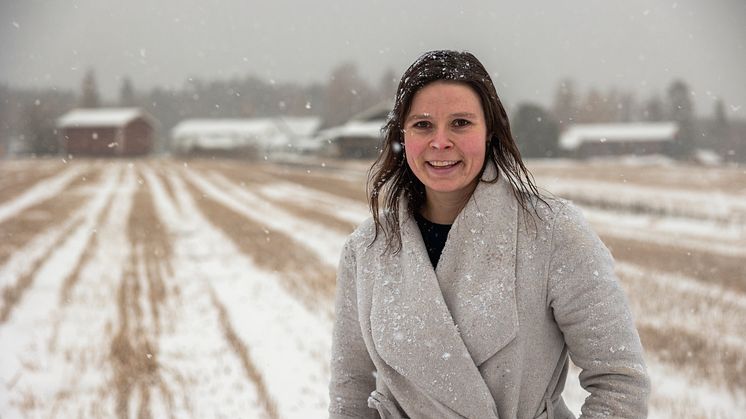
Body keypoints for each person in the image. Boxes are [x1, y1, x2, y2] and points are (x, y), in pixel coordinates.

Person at [328, 50, 650, 419]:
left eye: (461, 123)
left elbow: (620, 382)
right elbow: (351, 389)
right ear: (402, 135)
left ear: (490, 131)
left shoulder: (553, 233)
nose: (440, 141)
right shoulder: (366, 249)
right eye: (423, 125)